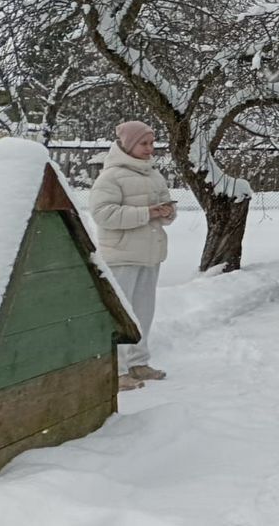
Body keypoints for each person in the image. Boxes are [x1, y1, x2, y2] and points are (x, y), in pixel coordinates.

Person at [90, 120, 176, 392]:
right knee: (121, 315)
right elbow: (103, 214)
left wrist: (167, 212)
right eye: (144, 143)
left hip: (150, 254)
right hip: (122, 256)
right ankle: (116, 371)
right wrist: (148, 213)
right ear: (128, 145)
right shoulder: (111, 176)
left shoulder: (153, 175)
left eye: (152, 143)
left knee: (142, 314)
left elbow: (166, 207)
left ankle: (139, 363)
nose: (150, 148)